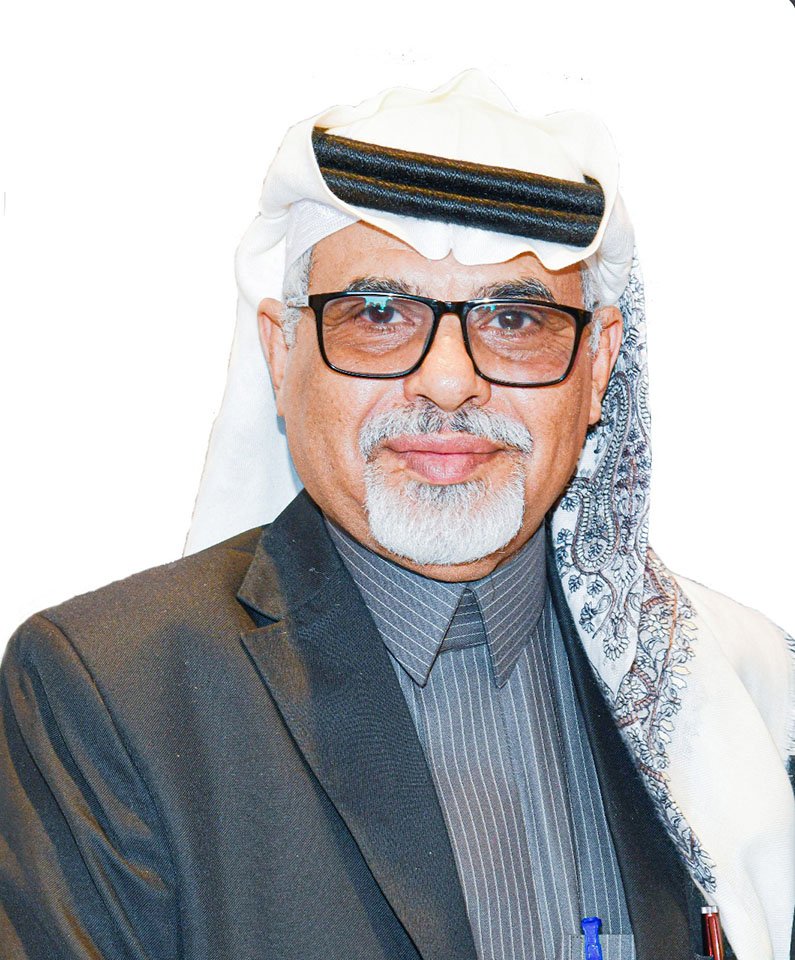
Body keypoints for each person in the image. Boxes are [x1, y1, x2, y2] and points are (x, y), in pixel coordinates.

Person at [1, 71, 792, 960]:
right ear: (281, 351)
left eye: (514, 319)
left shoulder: (739, 689)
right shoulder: (113, 691)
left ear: (599, 362)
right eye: (378, 313)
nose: (448, 381)